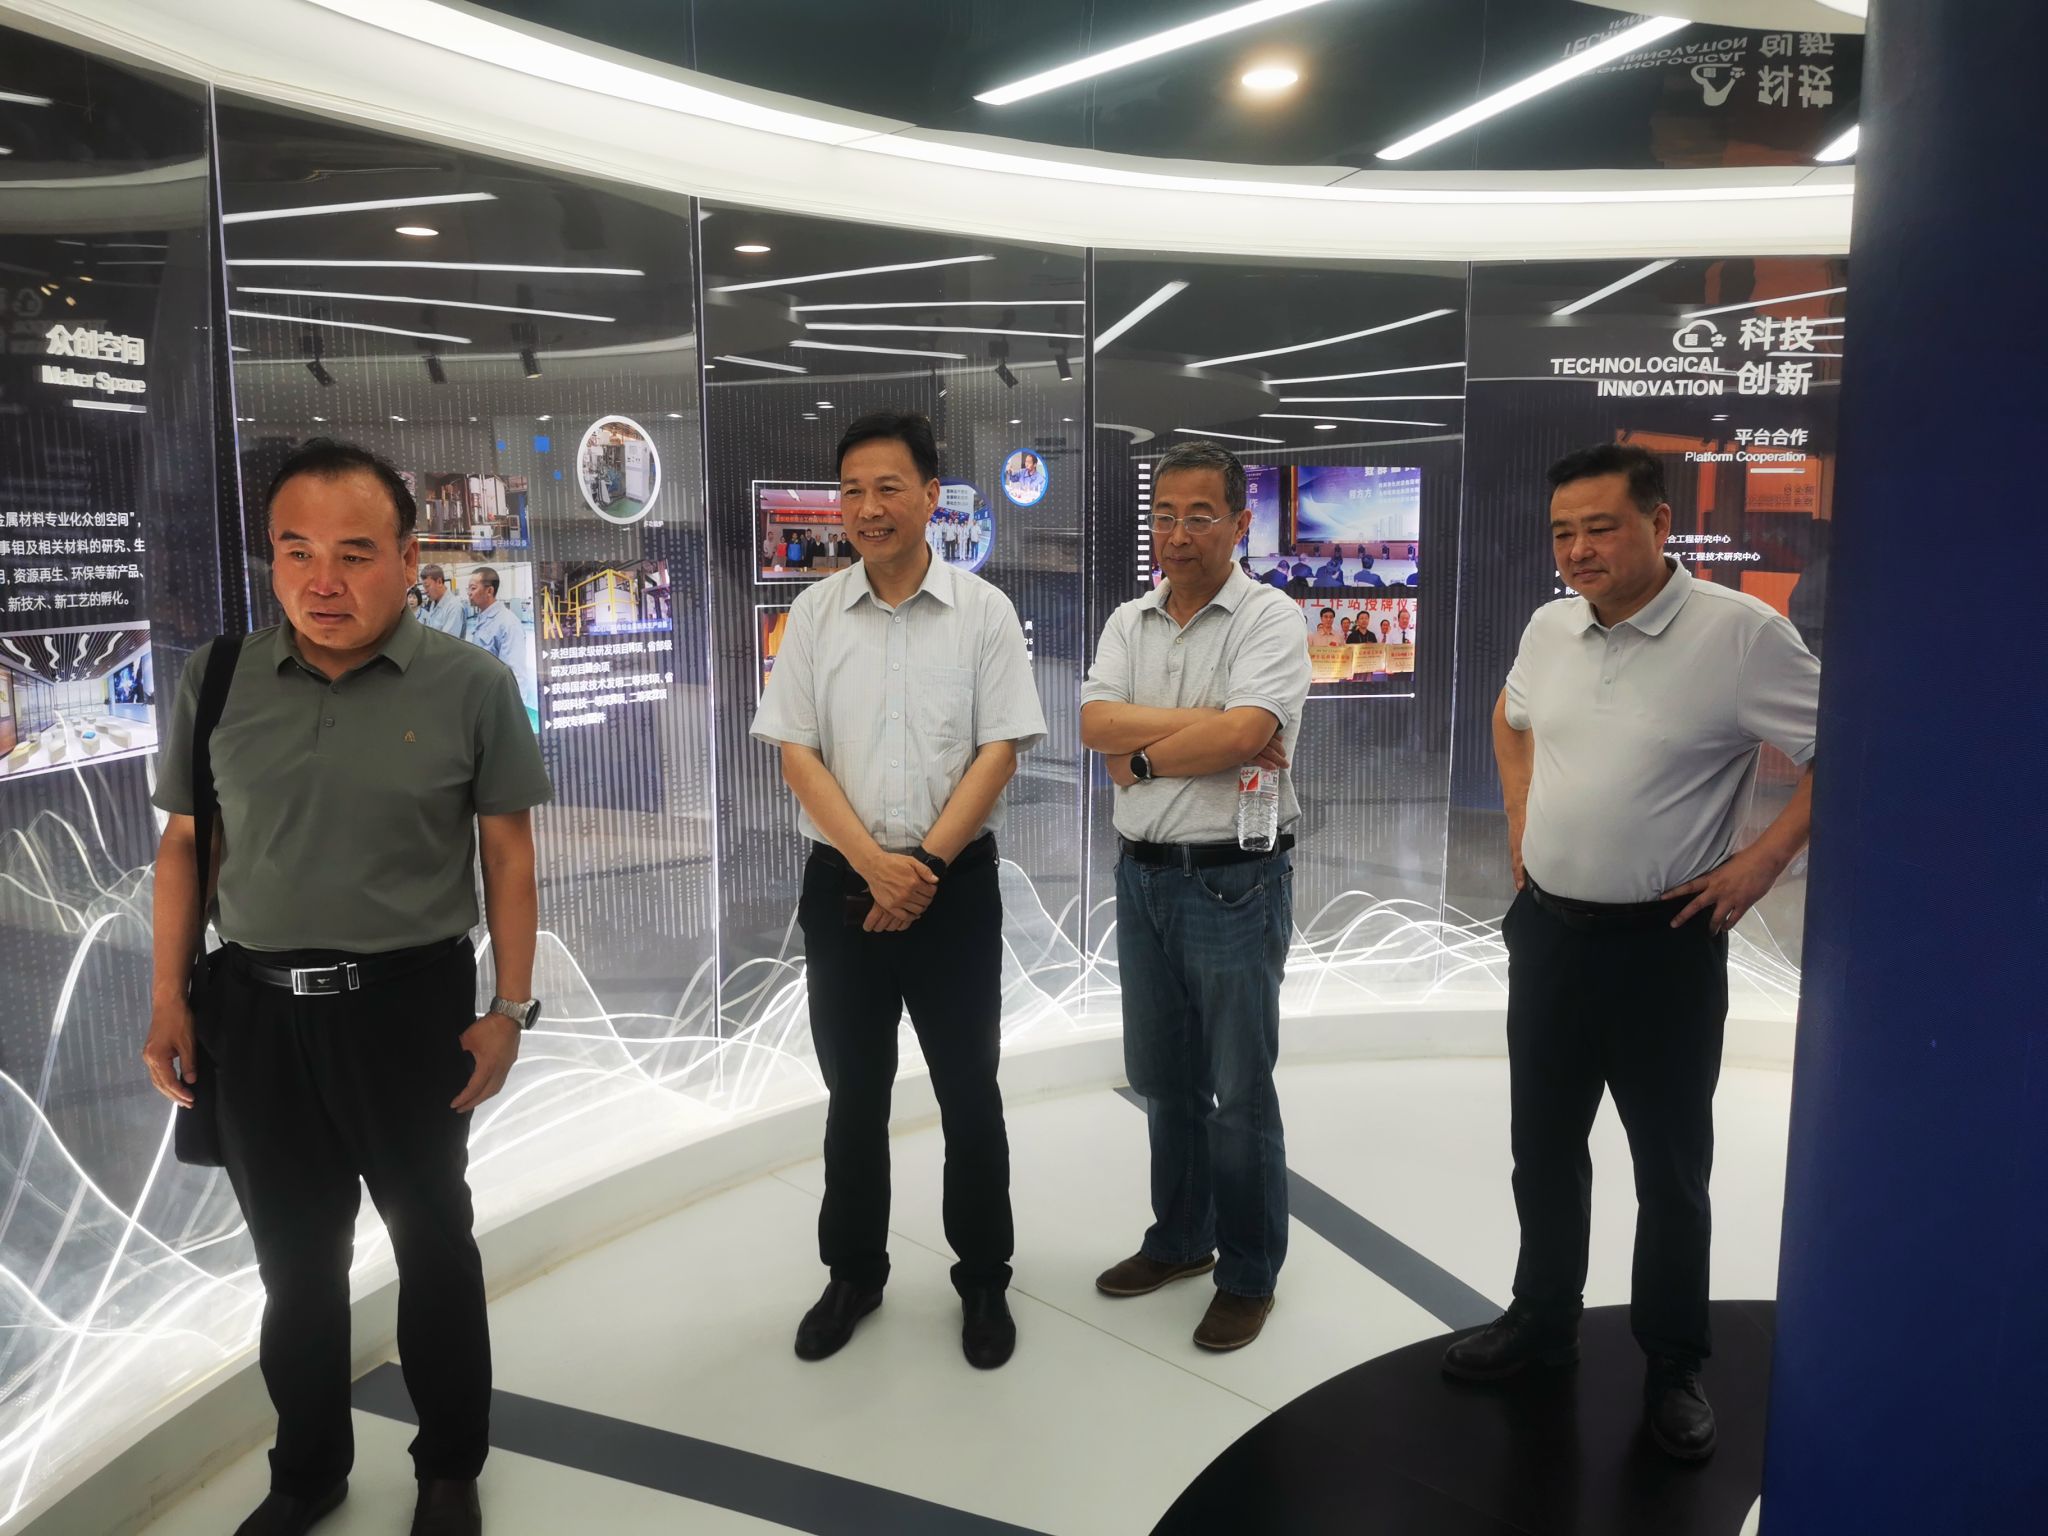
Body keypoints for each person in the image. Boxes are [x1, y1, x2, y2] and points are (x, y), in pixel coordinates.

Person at [142, 439, 551, 1536]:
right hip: (254, 1014)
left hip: (409, 1011)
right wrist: (169, 997)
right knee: (295, 1265)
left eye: (356, 554)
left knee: (434, 1246)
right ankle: (307, 1470)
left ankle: (449, 1466)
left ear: (411, 559)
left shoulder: (471, 685)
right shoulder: (217, 678)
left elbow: (508, 855)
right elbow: (184, 845)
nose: (323, 581)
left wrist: (510, 1008)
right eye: (297, 552)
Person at [1442, 443, 1819, 1464]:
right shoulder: (1549, 627)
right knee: (1542, 1147)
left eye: (1599, 528)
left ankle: (1673, 1364)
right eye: (1562, 533)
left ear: (1659, 524)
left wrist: (1761, 863)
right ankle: (1542, 1319)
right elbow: (1511, 717)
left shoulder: (1741, 636)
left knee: (1670, 1170)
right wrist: (1520, 820)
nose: (1577, 551)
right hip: (1549, 935)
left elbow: (1844, 749)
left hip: (1664, 950)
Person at [751, 410, 1046, 1372]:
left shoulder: (984, 613)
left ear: (930, 496)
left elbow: (999, 751)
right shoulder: (814, 615)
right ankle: (854, 1273)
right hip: (844, 887)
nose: (868, 508)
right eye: (852, 491)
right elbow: (796, 755)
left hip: (953, 893)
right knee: (853, 1096)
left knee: (970, 1093)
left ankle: (984, 1277)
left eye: (888, 488)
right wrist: (876, 866)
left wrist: (920, 868)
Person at [1081, 439, 1312, 1353]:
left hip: (1233, 881)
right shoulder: (1129, 620)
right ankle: (1180, 1240)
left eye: (1200, 516)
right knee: (1163, 1081)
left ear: (1241, 522)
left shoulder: (1269, 617)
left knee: (1240, 1091)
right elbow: (1094, 720)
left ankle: (1249, 1273)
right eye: (1165, 515)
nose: (1178, 534)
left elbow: (1247, 734)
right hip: (1141, 877)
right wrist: (1207, 725)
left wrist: (1142, 758)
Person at [464, 568, 532, 707]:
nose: (469, 593)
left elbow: (515, 674)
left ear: (489, 591)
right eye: (468, 588)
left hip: (498, 701)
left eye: (473, 588)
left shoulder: (508, 623)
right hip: (484, 695)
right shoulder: (482, 617)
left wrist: (513, 710)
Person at [416, 564, 466, 638]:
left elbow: (447, 642)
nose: (425, 591)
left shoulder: (454, 607)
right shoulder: (434, 603)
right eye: (424, 587)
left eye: (427, 586)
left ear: (439, 582)